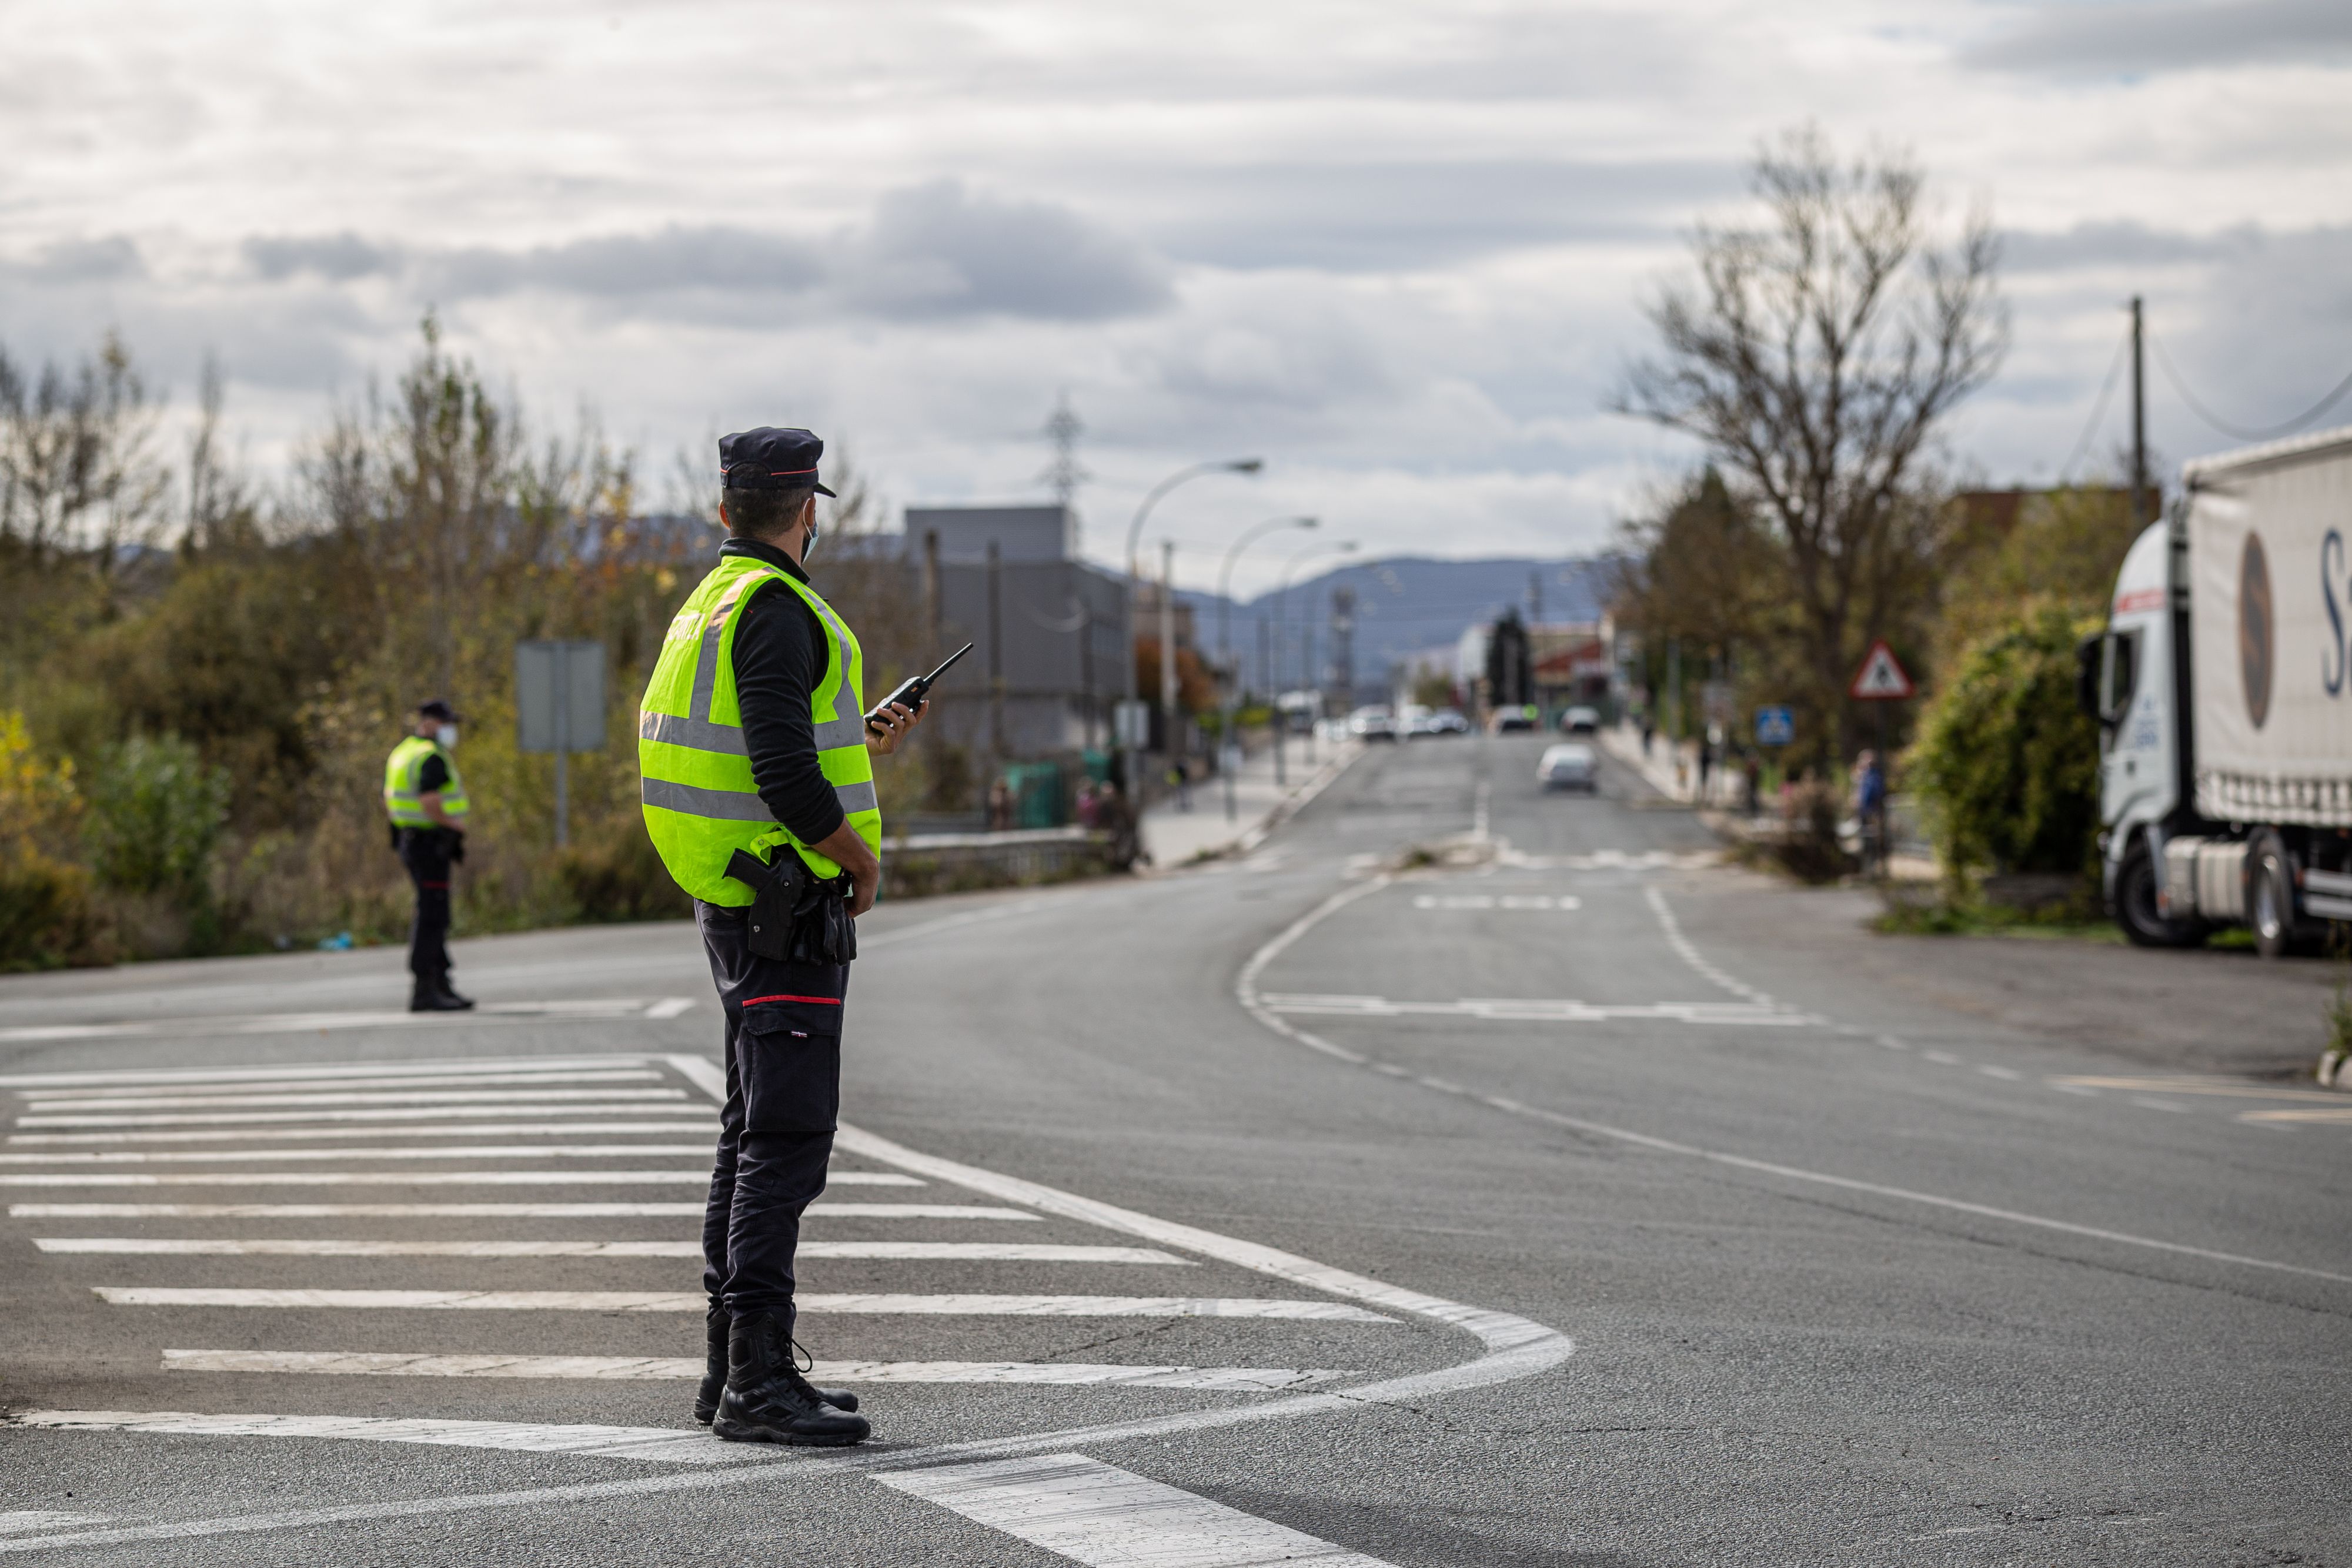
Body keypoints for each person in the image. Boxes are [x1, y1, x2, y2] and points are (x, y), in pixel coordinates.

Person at [638, 426, 924, 1449]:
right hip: (789, 903)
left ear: (725, 510)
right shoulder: (778, 610)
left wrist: (859, 740)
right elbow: (782, 773)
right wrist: (861, 861)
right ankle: (758, 1377)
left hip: (738, 898)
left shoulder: (708, 606)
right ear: (809, 510)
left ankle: (730, 1368)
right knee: (787, 1138)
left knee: (748, 1130)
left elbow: (779, 747)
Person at [382, 700, 474, 1012]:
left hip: (410, 840)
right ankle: (425, 989)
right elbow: (429, 800)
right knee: (432, 915)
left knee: (433, 912)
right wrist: (453, 825)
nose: (451, 730)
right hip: (429, 842)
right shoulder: (430, 757)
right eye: (446, 723)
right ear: (429, 722)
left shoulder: (403, 751)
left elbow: (390, 798)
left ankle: (440, 982)